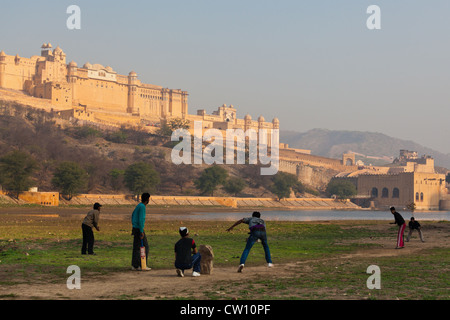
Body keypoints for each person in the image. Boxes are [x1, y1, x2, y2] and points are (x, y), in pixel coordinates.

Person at [131, 193, 151, 271]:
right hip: (139, 229)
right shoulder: (142, 207)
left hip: (135, 228)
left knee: (136, 247)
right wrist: (141, 231)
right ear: (147, 199)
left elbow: (133, 215)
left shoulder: (139, 205)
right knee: (145, 247)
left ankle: (135, 265)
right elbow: (141, 219)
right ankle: (142, 265)